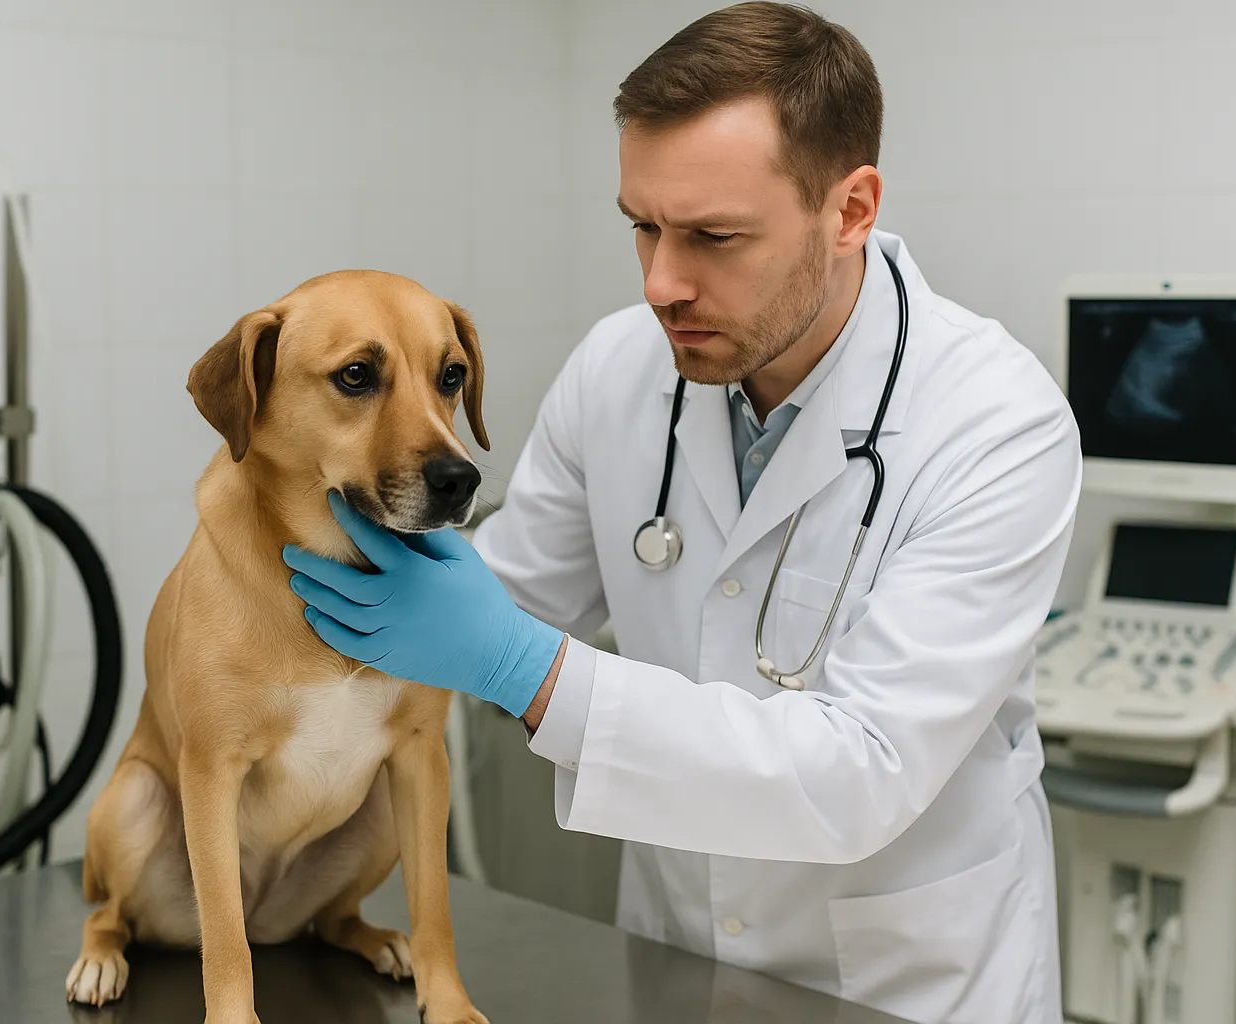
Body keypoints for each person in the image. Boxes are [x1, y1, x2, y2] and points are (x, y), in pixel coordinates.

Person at [283, 4, 1081, 1022]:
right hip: (681, 961)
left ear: (849, 210)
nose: (662, 283)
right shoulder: (620, 369)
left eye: (712, 236)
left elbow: (863, 771)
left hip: (906, 980)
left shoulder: (995, 422)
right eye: (642, 226)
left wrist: (523, 670)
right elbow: (510, 595)